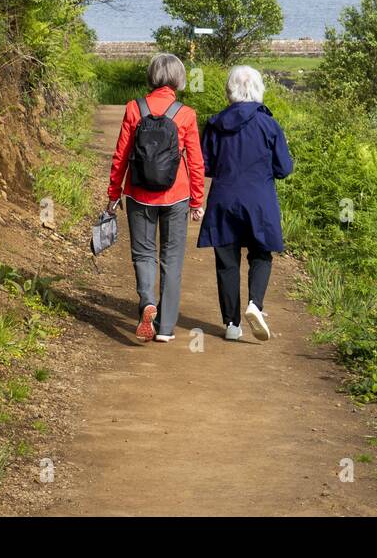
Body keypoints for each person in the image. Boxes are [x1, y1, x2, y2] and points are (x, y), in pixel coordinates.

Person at [106, 53, 205, 342]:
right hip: (177, 195)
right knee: (171, 260)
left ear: (152, 76)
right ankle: (166, 328)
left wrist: (114, 194)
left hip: (138, 193)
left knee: (143, 254)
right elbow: (197, 163)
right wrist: (197, 201)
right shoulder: (186, 114)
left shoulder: (133, 109)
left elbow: (120, 156)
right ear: (178, 78)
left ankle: (147, 301)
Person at [197, 65, 293, 341]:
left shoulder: (216, 124)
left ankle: (231, 325)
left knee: (226, 261)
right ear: (259, 88)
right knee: (261, 254)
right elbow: (284, 168)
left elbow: (206, 165)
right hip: (259, 200)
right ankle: (255, 304)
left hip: (224, 198)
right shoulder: (269, 124)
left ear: (230, 90)